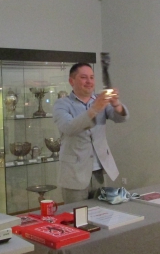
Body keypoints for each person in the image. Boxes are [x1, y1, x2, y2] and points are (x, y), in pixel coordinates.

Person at [53, 62, 128, 204]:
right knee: (77, 214)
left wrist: (116, 104)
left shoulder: (100, 100)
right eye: (83, 77)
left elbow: (121, 118)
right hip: (74, 174)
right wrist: (94, 109)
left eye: (92, 77)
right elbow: (69, 127)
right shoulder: (62, 104)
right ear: (71, 81)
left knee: (101, 212)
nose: (89, 81)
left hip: (99, 171)